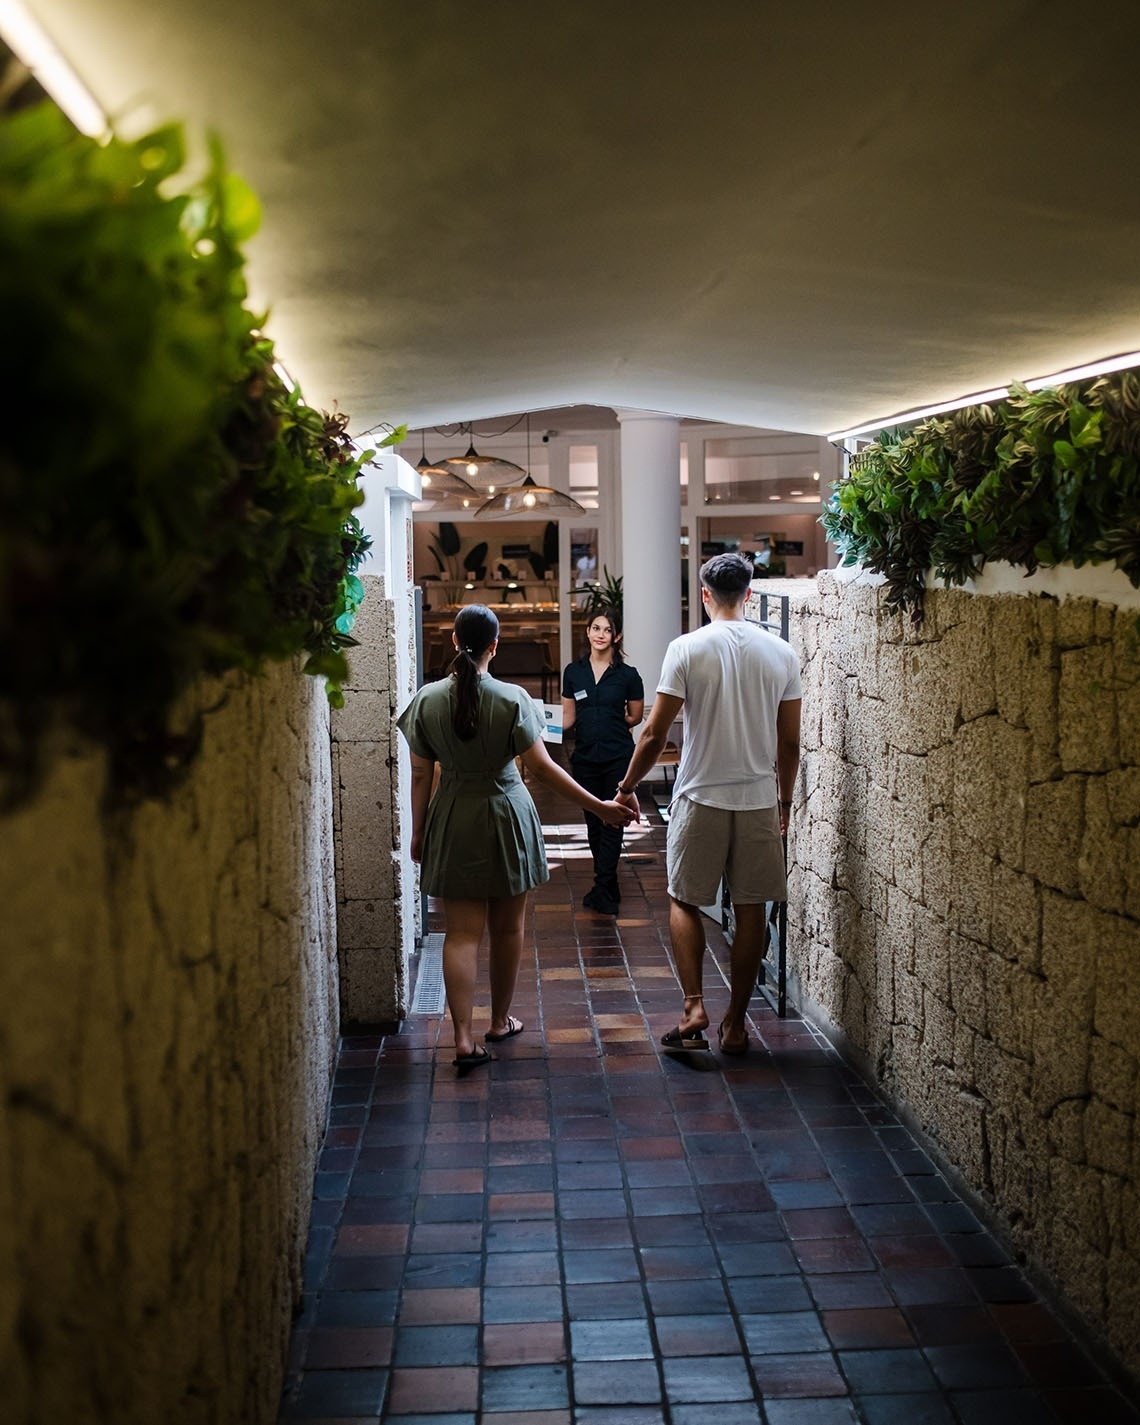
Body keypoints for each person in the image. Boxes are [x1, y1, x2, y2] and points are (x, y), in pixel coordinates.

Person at [397, 605, 634, 1075]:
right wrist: (601, 807)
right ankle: (500, 1020)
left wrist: (419, 830)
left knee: (461, 933)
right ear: (495, 646)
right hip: (506, 812)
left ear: (452, 642)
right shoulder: (512, 699)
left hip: (453, 815)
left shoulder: (426, 699)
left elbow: (421, 776)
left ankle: (462, 1038)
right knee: (508, 929)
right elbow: (545, 771)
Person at [613, 553, 801, 1057]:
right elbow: (790, 744)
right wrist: (784, 801)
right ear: (750, 594)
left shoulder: (686, 649)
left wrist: (628, 786)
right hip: (759, 798)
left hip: (699, 794)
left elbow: (654, 733)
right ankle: (736, 1023)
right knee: (751, 907)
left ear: (703, 596)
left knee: (684, 900)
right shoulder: (781, 653)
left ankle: (694, 1005)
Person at [561, 609, 644, 916]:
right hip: (584, 758)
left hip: (618, 757)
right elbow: (568, 718)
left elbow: (635, 716)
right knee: (594, 823)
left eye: (606, 630)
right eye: (595, 628)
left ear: (616, 636)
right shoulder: (574, 672)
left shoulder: (628, 675)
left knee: (613, 822)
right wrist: (541, 724)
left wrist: (611, 718)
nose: (600, 634)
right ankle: (608, 885)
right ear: (587, 632)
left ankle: (602, 886)